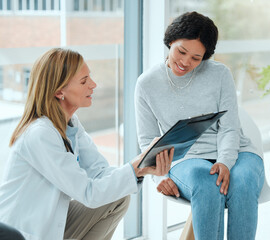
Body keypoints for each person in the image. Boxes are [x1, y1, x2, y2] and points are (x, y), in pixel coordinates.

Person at [0, 48, 174, 240]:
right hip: (22, 234)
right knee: (110, 193)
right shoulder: (39, 134)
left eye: (89, 77)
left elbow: (99, 172)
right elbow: (87, 193)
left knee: (118, 196)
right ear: (59, 91)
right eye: (84, 81)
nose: (93, 85)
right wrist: (136, 168)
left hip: (50, 226)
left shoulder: (70, 124)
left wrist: (142, 167)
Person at [135, 12, 267, 240]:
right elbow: (148, 141)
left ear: (205, 56)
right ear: (170, 42)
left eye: (196, 58)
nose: (186, 62)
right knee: (207, 185)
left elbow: (229, 127)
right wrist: (158, 177)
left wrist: (225, 161)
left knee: (243, 182)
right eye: (181, 51)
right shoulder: (147, 84)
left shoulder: (219, 74)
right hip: (185, 159)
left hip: (238, 151)